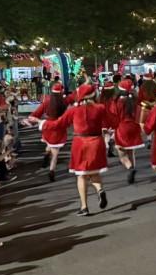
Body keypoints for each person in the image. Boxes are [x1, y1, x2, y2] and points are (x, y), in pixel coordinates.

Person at [33, 83, 114, 216]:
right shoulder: (100, 108)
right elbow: (110, 121)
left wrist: (41, 123)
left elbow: (58, 124)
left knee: (81, 175)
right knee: (94, 172)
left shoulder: (73, 110)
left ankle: (84, 207)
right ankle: (100, 190)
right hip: (96, 142)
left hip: (80, 143)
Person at [28, 82, 69, 182]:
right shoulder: (64, 102)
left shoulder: (47, 100)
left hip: (47, 127)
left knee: (49, 143)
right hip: (59, 128)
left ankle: (46, 156)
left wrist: (31, 118)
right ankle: (51, 170)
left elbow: (38, 112)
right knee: (55, 153)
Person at [113, 79, 145, 184]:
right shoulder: (135, 101)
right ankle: (133, 172)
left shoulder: (118, 102)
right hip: (134, 127)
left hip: (122, 128)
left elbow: (114, 116)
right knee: (131, 151)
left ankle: (130, 168)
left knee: (122, 154)